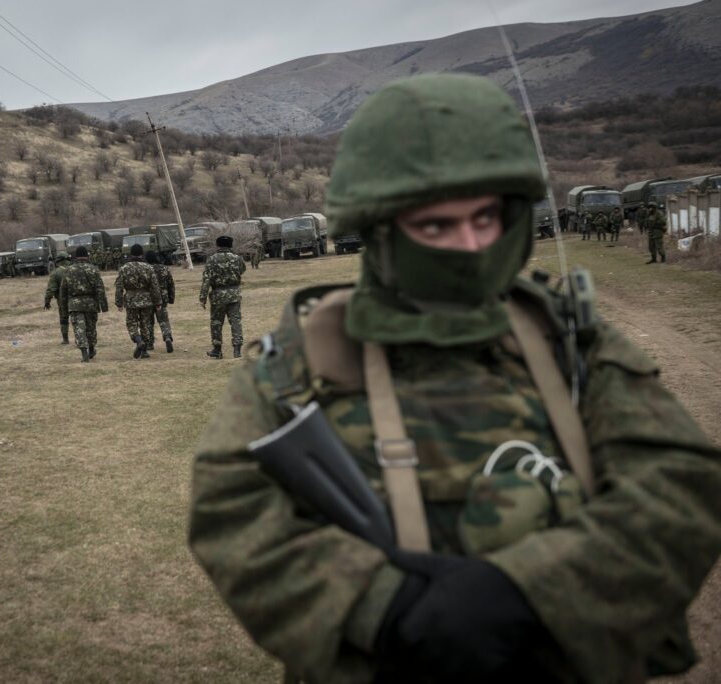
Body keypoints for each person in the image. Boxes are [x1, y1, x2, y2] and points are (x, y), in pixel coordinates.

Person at [188, 74, 721, 684]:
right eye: (437, 226)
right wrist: (385, 609)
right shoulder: (304, 357)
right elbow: (231, 510)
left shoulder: (560, 336)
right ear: (381, 227)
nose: (470, 247)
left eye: (486, 218)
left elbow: (680, 484)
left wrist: (527, 592)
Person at [199, 235, 246, 359]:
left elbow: (206, 280)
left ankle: (217, 349)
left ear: (218, 245)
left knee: (216, 323)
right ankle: (237, 350)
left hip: (218, 295)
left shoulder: (211, 259)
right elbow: (242, 270)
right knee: (235, 321)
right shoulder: (237, 258)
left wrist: (202, 297)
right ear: (230, 245)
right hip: (234, 295)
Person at [59, 246, 108, 362]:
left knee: (79, 329)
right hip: (91, 304)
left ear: (76, 256)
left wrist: (63, 310)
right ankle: (91, 348)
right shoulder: (93, 269)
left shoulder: (68, 270)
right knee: (91, 328)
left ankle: (84, 353)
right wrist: (103, 306)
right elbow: (100, 288)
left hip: (74, 304)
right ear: (87, 256)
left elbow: (63, 291)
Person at [114, 244, 161, 359]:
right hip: (146, 300)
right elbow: (154, 287)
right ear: (141, 254)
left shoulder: (124, 268)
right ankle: (144, 351)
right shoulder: (148, 267)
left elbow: (119, 287)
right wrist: (158, 302)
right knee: (145, 324)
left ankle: (138, 340)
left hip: (131, 300)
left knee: (131, 323)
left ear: (131, 254)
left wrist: (119, 303)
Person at [145, 251, 176, 353]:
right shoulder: (164, 268)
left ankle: (149, 343)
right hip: (162, 297)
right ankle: (167, 336)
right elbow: (171, 284)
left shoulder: (145, 269)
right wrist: (171, 298)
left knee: (149, 321)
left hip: (148, 298)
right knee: (163, 319)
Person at [44, 252, 72, 344]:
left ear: (58, 261)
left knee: (64, 318)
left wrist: (47, 301)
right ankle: (82, 338)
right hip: (77, 299)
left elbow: (51, 289)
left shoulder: (56, 273)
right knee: (79, 318)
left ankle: (65, 339)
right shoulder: (75, 269)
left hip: (62, 300)